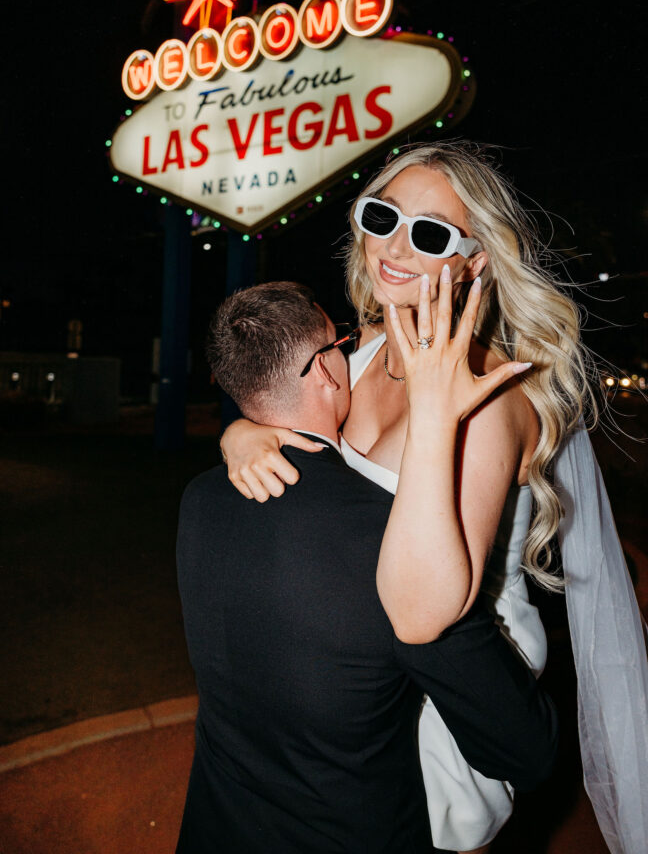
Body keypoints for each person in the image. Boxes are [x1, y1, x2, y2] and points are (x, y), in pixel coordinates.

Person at [222, 143, 648, 854]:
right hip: (356, 661)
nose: (394, 247)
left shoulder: (495, 398)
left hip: (451, 687)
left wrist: (436, 410)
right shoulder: (363, 349)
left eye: (431, 233)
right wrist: (242, 434)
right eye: (382, 217)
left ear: (473, 261)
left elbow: (421, 614)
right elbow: (291, 418)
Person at [176, 280, 559, 854]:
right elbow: (522, 750)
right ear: (328, 373)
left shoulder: (202, 499)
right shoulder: (402, 549)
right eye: (342, 344)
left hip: (216, 824)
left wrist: (237, 430)